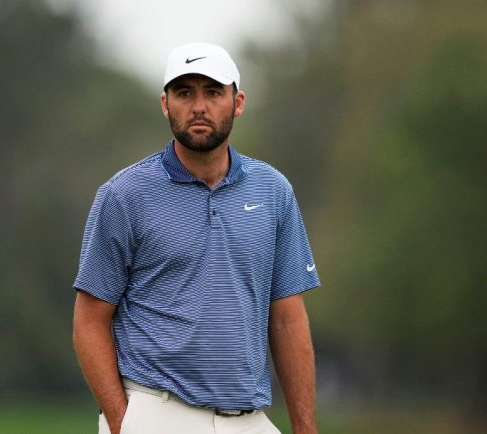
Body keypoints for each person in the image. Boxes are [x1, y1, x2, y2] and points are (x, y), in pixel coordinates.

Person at [72, 42, 321, 434]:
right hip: (157, 412)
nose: (199, 106)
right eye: (184, 93)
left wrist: (306, 429)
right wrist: (123, 423)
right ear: (165, 104)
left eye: (213, 92)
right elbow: (89, 321)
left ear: (237, 103)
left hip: (250, 419)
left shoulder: (273, 191)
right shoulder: (124, 195)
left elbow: (288, 320)